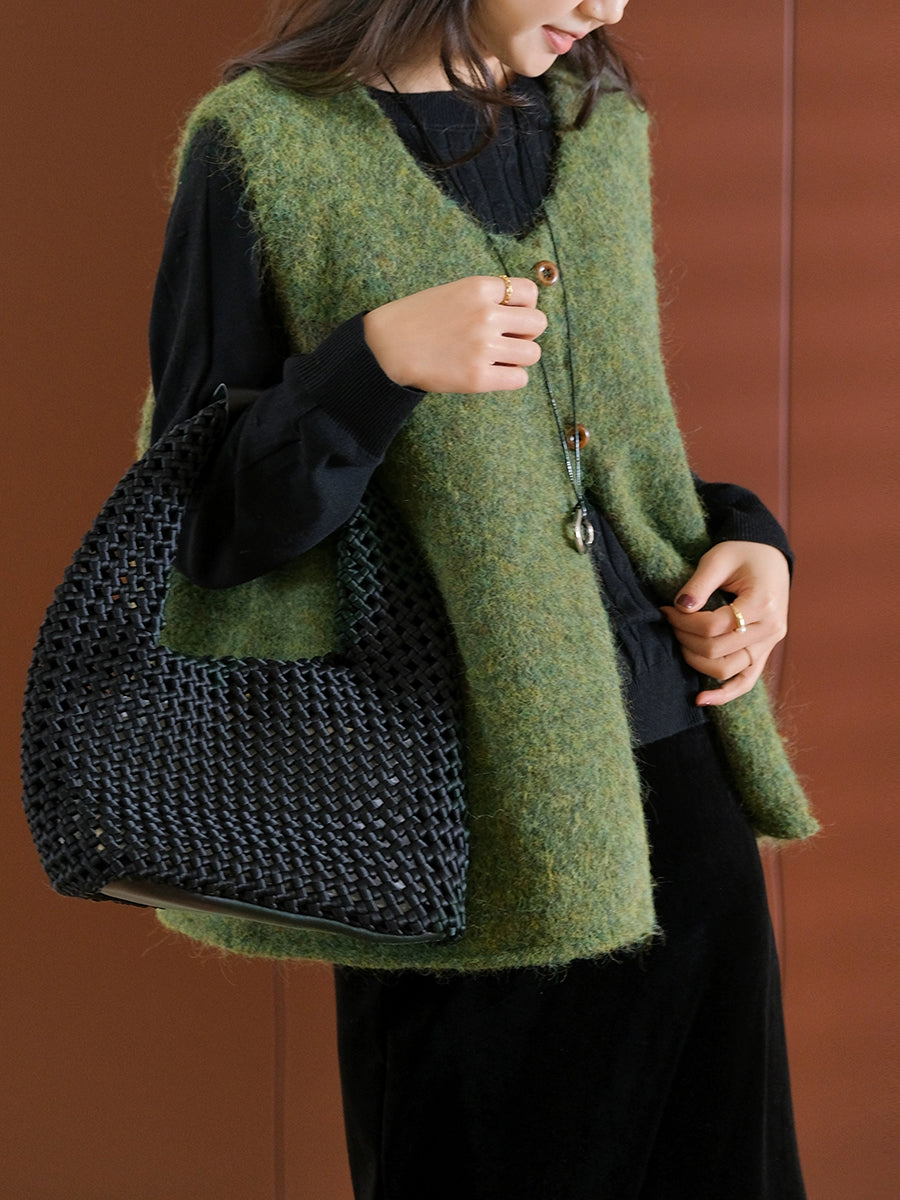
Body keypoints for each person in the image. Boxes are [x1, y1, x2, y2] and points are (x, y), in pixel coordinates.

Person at [144, 2, 818, 1195]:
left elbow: (606, 453)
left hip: (678, 787)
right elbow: (199, 526)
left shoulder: (598, 126)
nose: (608, 9)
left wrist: (752, 544)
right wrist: (373, 366)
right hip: (451, 821)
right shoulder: (263, 145)